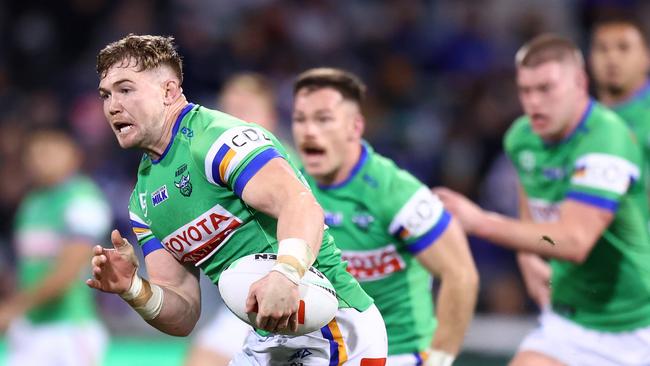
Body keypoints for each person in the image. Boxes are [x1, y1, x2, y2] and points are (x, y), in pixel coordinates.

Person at [88, 34, 388, 365]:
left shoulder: (216, 140)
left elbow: (299, 203)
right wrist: (133, 288)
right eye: (106, 95)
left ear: (168, 91)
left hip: (333, 329)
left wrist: (286, 273)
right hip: (267, 340)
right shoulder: (142, 201)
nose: (113, 105)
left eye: (126, 89)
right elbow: (183, 313)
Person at [435, 34, 650, 366]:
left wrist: (480, 222)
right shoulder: (522, 138)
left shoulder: (608, 136)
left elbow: (575, 240)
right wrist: (526, 254)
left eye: (546, 89)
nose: (534, 102)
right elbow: (532, 202)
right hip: (569, 323)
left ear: (579, 83)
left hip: (637, 325)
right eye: (526, 90)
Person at [291, 68, 479, 366]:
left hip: (398, 353)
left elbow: (461, 275)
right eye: (300, 119)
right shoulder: (289, 184)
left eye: (323, 119)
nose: (309, 131)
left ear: (355, 127)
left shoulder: (397, 192)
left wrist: (439, 359)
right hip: (324, 350)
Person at [185, 73, 284, 366]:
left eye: (246, 112)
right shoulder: (209, 170)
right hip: (244, 301)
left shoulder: (284, 164)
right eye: (228, 111)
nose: (234, 123)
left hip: (290, 293)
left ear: (271, 117)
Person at [0, 130, 112, 366]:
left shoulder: (83, 199)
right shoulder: (32, 203)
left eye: (49, 151)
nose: (40, 159)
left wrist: (16, 306)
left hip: (69, 329)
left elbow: (69, 269)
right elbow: (25, 267)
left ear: (74, 155)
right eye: (34, 153)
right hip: (30, 327)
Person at [590, 17, 650, 171]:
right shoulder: (581, 118)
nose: (612, 57)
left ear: (646, 57)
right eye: (602, 49)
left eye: (623, 48)